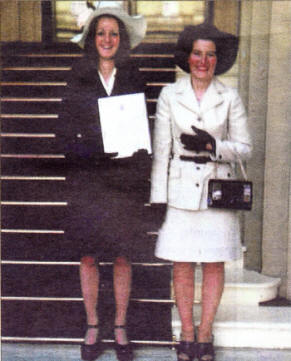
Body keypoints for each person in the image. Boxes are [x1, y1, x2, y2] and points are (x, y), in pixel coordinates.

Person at [150, 23, 252, 361]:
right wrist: (158, 197)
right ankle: (187, 332)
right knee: (181, 264)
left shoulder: (229, 96)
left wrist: (214, 145)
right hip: (179, 187)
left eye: (210, 55)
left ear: (217, 59)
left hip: (216, 189)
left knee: (212, 263)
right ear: (187, 56)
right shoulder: (170, 94)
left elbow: (245, 148)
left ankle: (205, 332)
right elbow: (161, 149)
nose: (203, 61)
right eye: (197, 53)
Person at [57, 7, 149, 361]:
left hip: (124, 181)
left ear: (120, 39)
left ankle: (121, 325)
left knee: (123, 254)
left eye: (113, 33)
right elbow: (63, 130)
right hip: (89, 180)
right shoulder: (78, 75)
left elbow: (143, 126)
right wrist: (90, 153)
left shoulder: (134, 75)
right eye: (101, 33)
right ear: (92, 39)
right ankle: (94, 324)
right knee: (89, 254)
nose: (107, 40)